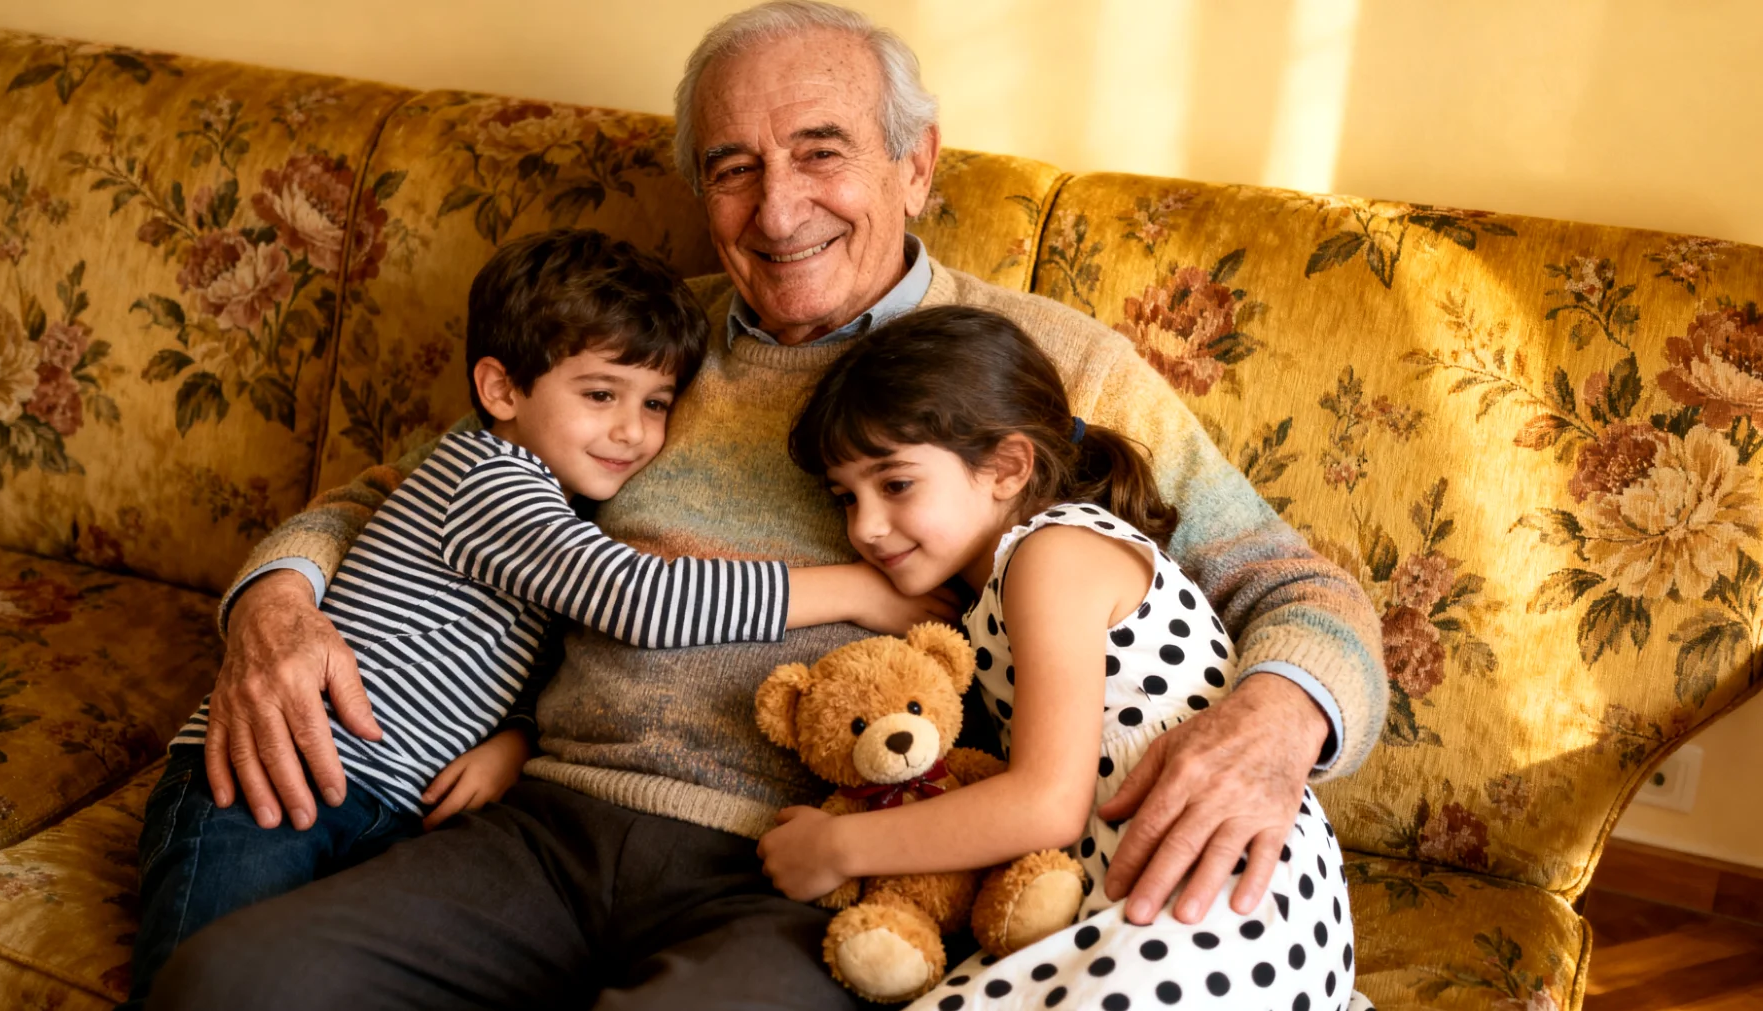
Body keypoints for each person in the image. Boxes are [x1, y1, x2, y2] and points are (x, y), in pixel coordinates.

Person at [151, 4, 1386, 1008]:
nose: (777, 207)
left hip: (803, 874)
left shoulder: (1052, 364)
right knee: (232, 983)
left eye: (821, 150)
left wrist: (1274, 726)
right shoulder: (640, 349)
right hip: (541, 827)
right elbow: (398, 496)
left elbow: (1292, 583)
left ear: (918, 164)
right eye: (733, 168)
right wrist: (274, 606)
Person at [125, 230, 949, 1008]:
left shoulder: (560, 489)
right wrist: (856, 592)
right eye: (601, 396)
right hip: (277, 768)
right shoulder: (494, 480)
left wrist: (517, 736)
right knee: (206, 977)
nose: (633, 432)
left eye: (658, 404)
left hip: (405, 801)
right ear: (500, 390)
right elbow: (637, 599)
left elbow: (520, 646)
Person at [763, 305, 1373, 1010]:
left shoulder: (1051, 558)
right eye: (846, 497)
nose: (865, 527)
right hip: (1196, 895)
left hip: (1217, 896)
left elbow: (1045, 804)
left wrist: (839, 847)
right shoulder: (1006, 580)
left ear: (1007, 466)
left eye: (895, 484)